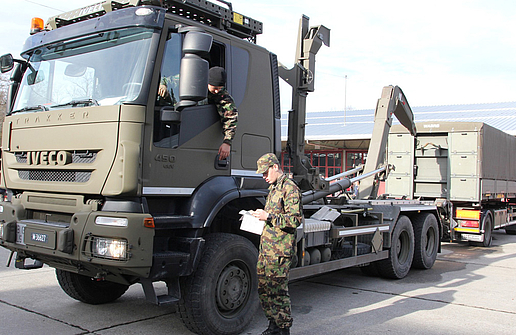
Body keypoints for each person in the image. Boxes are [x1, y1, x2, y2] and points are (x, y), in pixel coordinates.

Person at [251, 153, 302, 335]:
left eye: (265, 172)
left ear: (274, 167)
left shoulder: (290, 188)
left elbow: (295, 220)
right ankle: (273, 325)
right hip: (267, 249)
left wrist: (269, 217)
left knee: (278, 291)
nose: (264, 177)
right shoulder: (273, 188)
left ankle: (283, 329)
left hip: (280, 251)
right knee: (264, 289)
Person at [207, 66, 238, 160]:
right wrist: (163, 85)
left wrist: (227, 142)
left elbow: (231, 119)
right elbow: (171, 80)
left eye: (220, 88)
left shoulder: (224, 97)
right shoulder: (193, 83)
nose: (217, 91)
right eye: (215, 88)